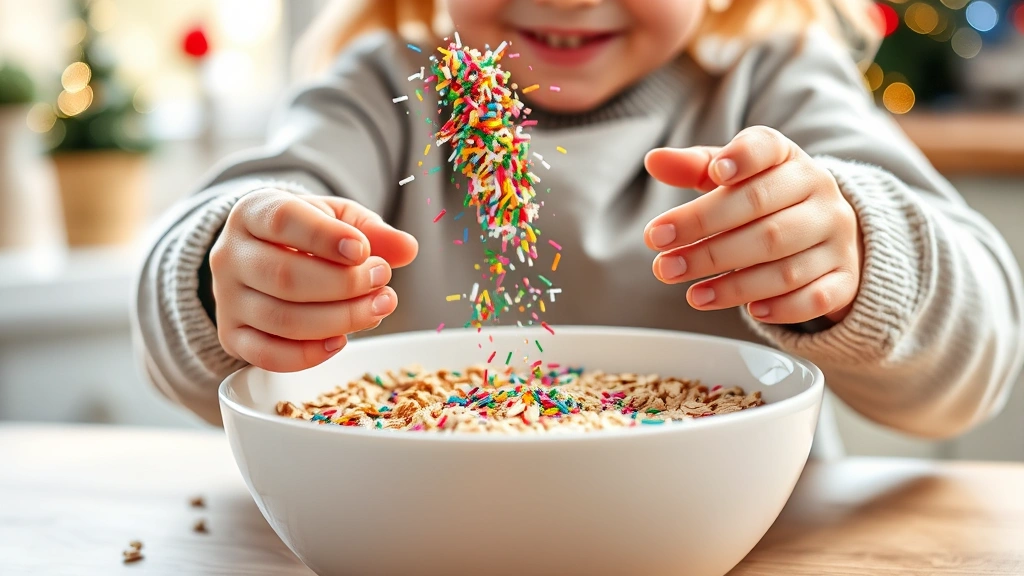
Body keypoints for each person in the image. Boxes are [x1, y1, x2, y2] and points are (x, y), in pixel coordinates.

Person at [132, 0, 1024, 457]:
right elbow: (215, 249)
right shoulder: (385, 89)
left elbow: (976, 369)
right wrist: (232, 279)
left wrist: (857, 257)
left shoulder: (771, 82)